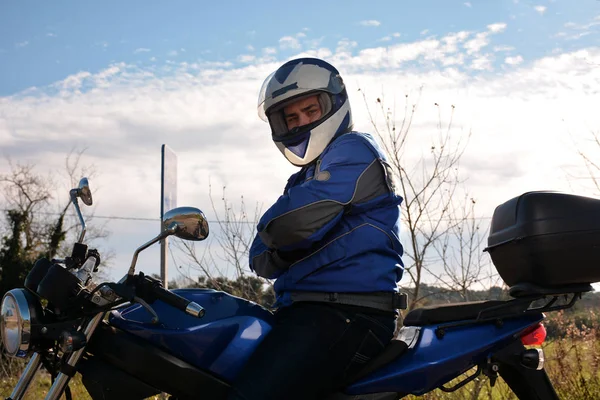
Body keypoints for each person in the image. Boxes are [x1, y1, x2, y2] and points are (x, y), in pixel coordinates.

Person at [228, 58, 405, 400]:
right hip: (309, 312)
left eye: (309, 110)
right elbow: (260, 257)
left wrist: (284, 241)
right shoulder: (303, 177)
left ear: (334, 104)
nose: (301, 122)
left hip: (347, 314)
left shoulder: (353, 149)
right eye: (290, 118)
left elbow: (293, 222)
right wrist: (283, 238)